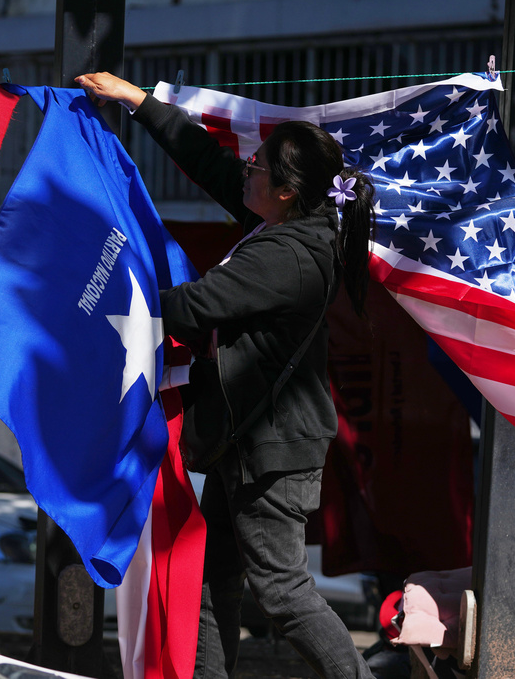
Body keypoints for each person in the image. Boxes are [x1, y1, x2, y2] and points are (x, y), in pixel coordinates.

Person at [76, 72, 376, 679]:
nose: (246, 173)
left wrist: (82, 305)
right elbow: (209, 164)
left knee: (284, 593)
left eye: (258, 168)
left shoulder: (289, 255)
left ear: (288, 191)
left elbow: (191, 307)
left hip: (274, 454)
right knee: (213, 589)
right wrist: (140, 103)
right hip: (246, 445)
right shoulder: (283, 226)